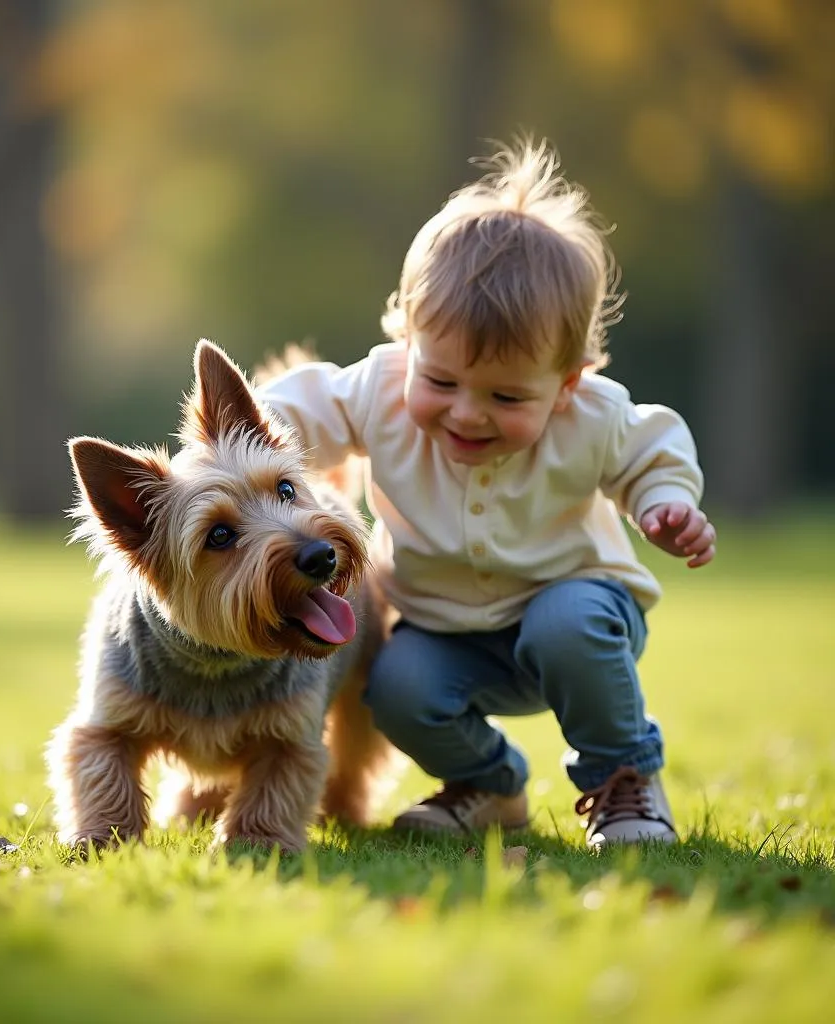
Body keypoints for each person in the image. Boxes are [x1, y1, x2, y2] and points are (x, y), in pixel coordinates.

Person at [257, 137, 715, 848]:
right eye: (440, 382)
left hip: (577, 613)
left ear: (567, 384)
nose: (467, 413)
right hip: (442, 631)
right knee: (398, 692)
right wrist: (231, 448)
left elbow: (652, 445)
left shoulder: (591, 415)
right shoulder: (378, 389)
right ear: (407, 345)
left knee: (568, 624)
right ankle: (489, 785)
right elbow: (292, 410)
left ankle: (623, 780)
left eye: (505, 395)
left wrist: (664, 502)